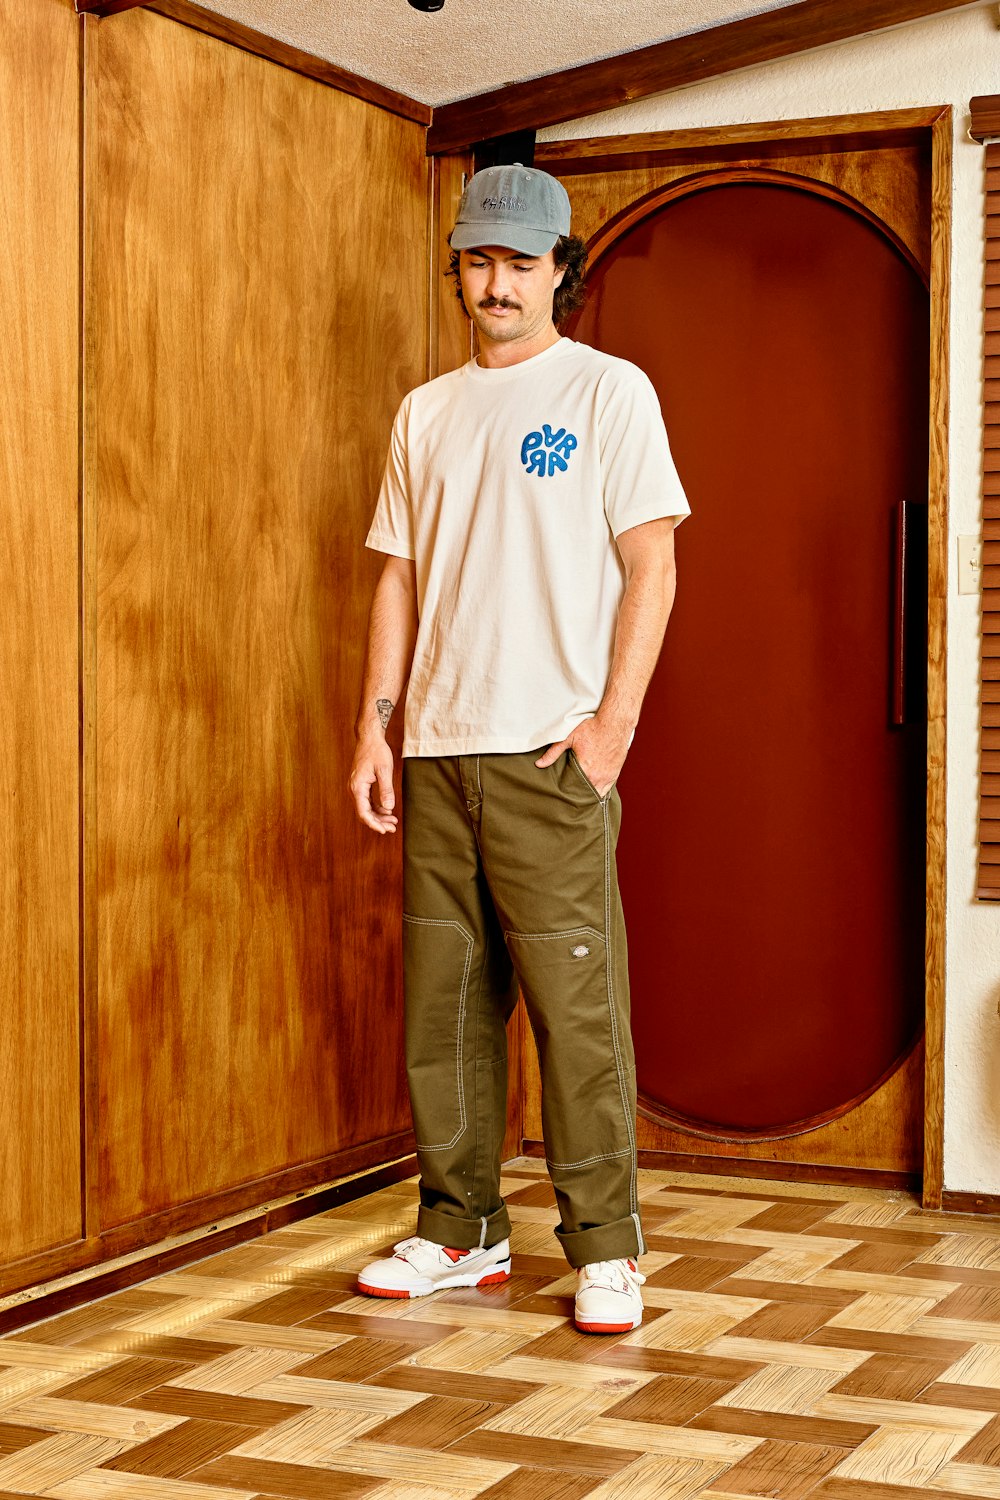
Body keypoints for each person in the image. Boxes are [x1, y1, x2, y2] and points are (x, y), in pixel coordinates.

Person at [349, 162, 690, 1334]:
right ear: (459, 267)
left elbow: (653, 564)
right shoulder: (425, 412)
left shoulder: (608, 394)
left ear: (561, 271)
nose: (495, 282)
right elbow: (399, 575)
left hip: (551, 756)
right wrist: (375, 727)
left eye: (520, 262)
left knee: (575, 1012)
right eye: (478, 260)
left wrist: (609, 732)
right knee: (443, 1014)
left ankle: (606, 1249)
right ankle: (461, 1233)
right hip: (439, 751)